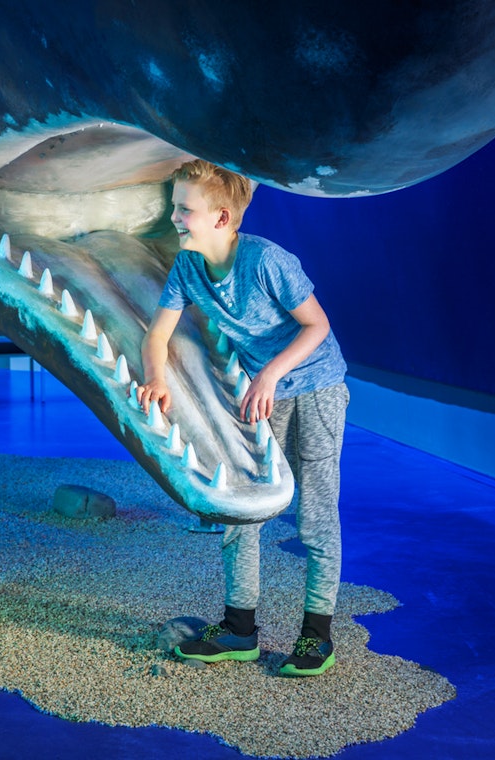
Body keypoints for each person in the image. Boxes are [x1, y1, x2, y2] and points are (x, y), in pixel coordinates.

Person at [138, 159, 349, 677]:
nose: (174, 218)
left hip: (315, 388)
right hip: (260, 395)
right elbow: (157, 335)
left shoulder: (266, 260)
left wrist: (270, 375)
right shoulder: (187, 267)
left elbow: (317, 326)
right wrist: (156, 378)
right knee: (241, 508)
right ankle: (239, 629)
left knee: (315, 514)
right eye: (174, 207)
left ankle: (317, 636)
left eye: (184, 209)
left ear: (222, 217)